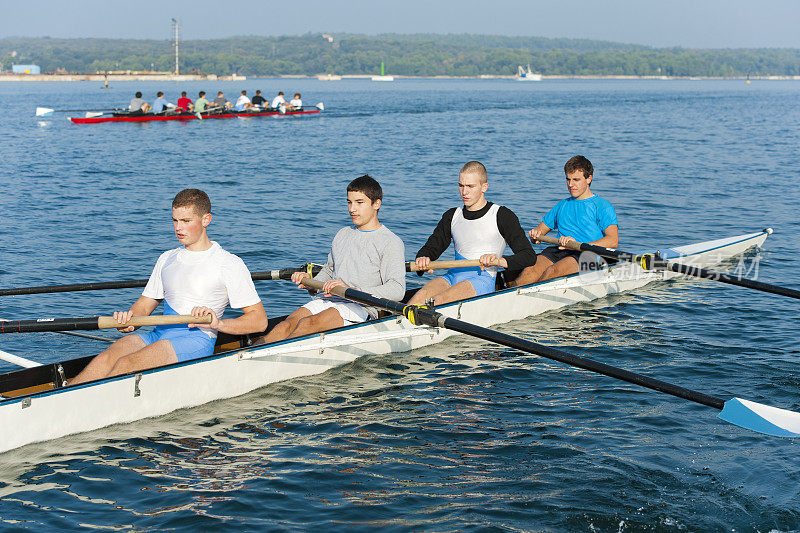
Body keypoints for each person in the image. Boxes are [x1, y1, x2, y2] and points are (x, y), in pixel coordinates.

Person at [70, 189, 268, 385]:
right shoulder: (167, 258)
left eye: (186, 221)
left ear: (206, 220)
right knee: (107, 358)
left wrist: (218, 324)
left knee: (126, 364)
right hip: (159, 334)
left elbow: (259, 321)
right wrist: (130, 319)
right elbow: (145, 305)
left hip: (195, 340)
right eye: (175, 220)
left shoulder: (229, 263)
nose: (178, 228)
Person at [256, 175, 405, 344]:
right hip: (330, 299)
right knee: (284, 326)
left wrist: (352, 289)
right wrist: (311, 284)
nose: (352, 209)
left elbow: (397, 290)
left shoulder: (390, 241)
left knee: (308, 324)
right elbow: (328, 270)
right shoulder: (342, 234)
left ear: (376, 204)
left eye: (359, 202)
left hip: (361, 307)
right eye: (349, 202)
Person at [408, 161, 536, 306]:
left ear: (484, 187)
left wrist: (499, 261)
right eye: (461, 185)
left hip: (481, 281)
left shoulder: (502, 215)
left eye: (470, 186)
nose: (464, 192)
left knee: (437, 302)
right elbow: (432, 247)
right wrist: (423, 258)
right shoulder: (452, 215)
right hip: (452, 277)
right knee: (416, 301)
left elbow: (529, 256)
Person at [509, 155, 619, 286]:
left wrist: (578, 244)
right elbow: (539, 233)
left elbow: (613, 240)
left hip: (588, 254)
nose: (571, 185)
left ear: (589, 179)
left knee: (552, 272)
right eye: (568, 179)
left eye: (576, 180)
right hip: (559, 250)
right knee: (529, 271)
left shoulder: (602, 206)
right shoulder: (562, 205)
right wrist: (535, 235)